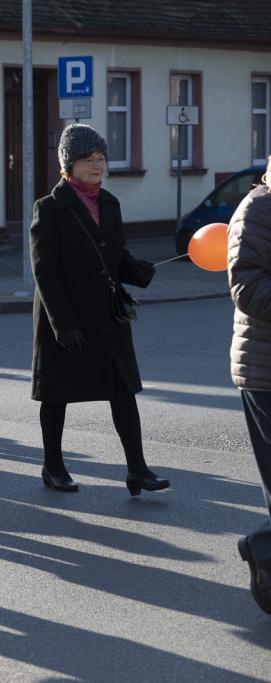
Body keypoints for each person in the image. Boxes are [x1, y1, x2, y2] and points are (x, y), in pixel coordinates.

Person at [30, 123, 166, 494]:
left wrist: (135, 270)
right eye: (88, 159)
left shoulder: (109, 203)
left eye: (101, 158)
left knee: (123, 391)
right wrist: (63, 325)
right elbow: (45, 273)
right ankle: (53, 466)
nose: (97, 165)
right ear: (68, 165)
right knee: (56, 393)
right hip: (66, 318)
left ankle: (137, 470)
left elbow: (113, 255)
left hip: (107, 316)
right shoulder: (50, 208)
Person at [227, 155, 271, 614]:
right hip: (264, 370)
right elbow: (246, 286)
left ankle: (264, 546)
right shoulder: (257, 209)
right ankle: (264, 548)